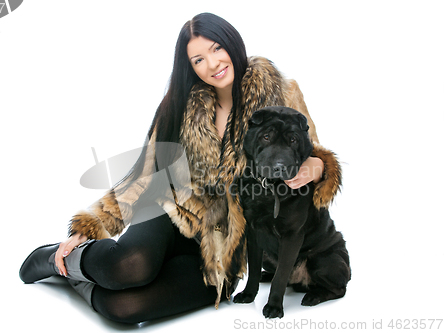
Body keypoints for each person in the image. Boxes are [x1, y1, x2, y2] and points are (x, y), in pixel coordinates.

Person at [19, 12, 341, 324]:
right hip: (170, 216)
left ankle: (72, 277)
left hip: (220, 250)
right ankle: (54, 258)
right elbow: (144, 174)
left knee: (124, 308)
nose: (212, 63)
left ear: (232, 44)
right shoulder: (180, 104)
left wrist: (318, 167)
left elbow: (309, 152)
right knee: (129, 267)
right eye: (198, 59)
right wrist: (87, 227)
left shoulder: (282, 92)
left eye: (217, 48)